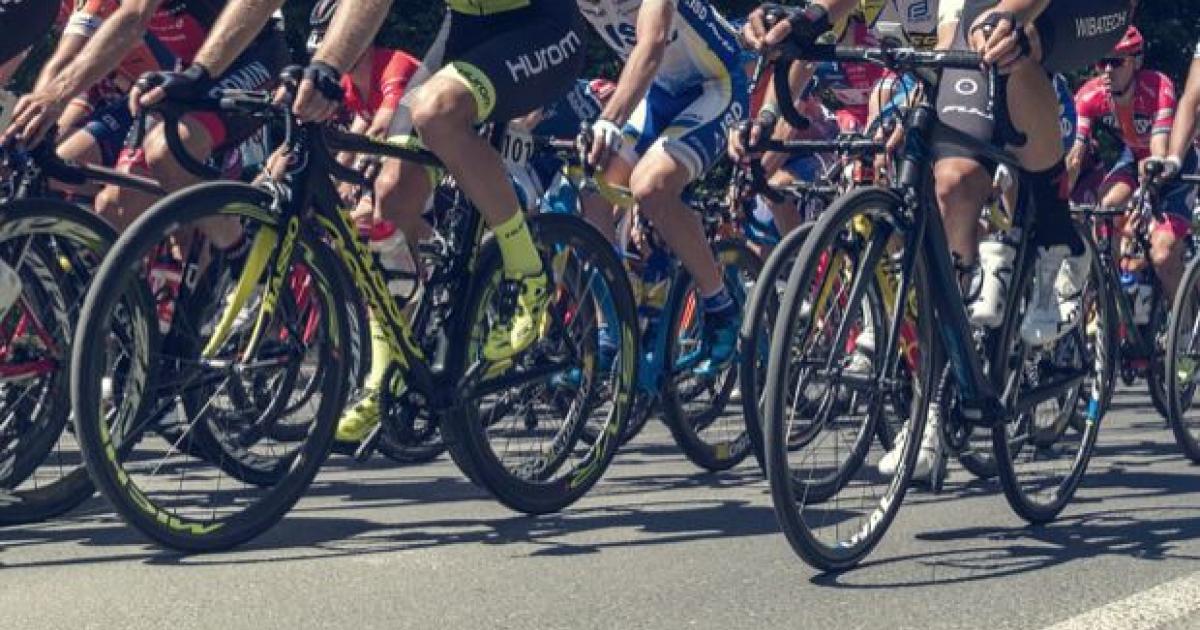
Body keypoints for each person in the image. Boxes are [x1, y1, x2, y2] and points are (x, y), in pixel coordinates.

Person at [134, 0, 587, 442]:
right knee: (389, 201)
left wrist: (327, 68)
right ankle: (387, 372)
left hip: (541, 26)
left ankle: (528, 273)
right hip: (466, 29)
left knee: (436, 112)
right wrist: (198, 75)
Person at [740, 0, 1135, 482]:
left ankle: (1057, 239)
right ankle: (934, 400)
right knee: (951, 183)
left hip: (1080, 11)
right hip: (975, 19)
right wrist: (806, 20)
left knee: (1012, 44)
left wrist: (1005, 17)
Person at [578, 0, 749, 379]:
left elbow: (652, 44)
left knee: (651, 187)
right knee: (591, 188)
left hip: (715, 87)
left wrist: (608, 121)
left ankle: (720, 306)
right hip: (658, 93)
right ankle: (612, 331)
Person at [1069, 27, 1186, 298]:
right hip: (1134, 157)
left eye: (1117, 62)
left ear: (1136, 62)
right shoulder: (1090, 94)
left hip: (1173, 160)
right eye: (1102, 62)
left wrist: (1144, 195)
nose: (1107, 70)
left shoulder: (1158, 86)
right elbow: (1075, 155)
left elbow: (1158, 149)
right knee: (1105, 206)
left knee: (1163, 252)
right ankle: (1114, 295)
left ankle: (1184, 328)